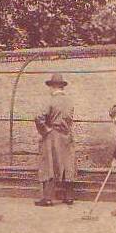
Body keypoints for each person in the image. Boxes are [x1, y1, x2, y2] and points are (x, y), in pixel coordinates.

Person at [34, 73, 77, 207]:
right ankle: (69, 197)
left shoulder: (49, 100)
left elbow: (39, 118)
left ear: (52, 86)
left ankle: (47, 198)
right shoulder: (70, 101)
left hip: (53, 136)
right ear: (62, 87)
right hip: (67, 135)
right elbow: (70, 118)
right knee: (68, 164)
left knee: (49, 164)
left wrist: (46, 130)